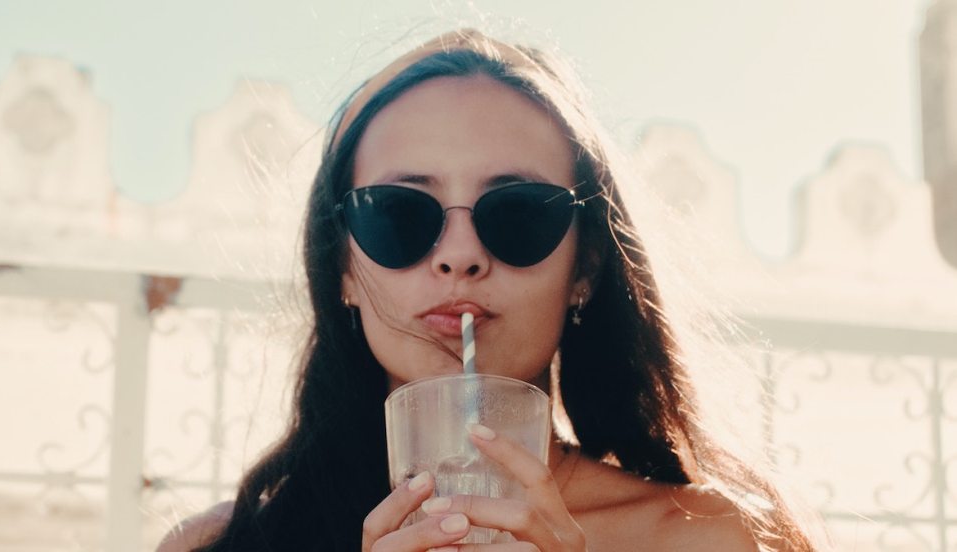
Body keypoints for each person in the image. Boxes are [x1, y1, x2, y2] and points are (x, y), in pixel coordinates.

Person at [158, 29, 823, 551]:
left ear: (585, 266)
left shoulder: (712, 538)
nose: (460, 255)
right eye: (398, 215)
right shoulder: (222, 546)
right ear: (341, 268)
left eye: (519, 215)